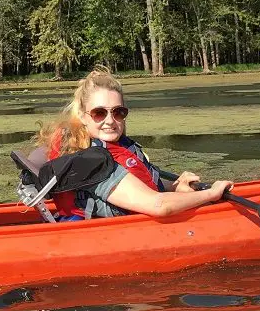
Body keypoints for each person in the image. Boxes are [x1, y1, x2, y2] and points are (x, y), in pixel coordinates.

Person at [34, 67, 233, 220]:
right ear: (83, 116)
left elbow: (139, 184)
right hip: (106, 236)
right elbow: (158, 205)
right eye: (99, 113)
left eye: (118, 112)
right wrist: (210, 194)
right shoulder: (92, 162)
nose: (110, 120)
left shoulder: (111, 146)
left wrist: (175, 186)